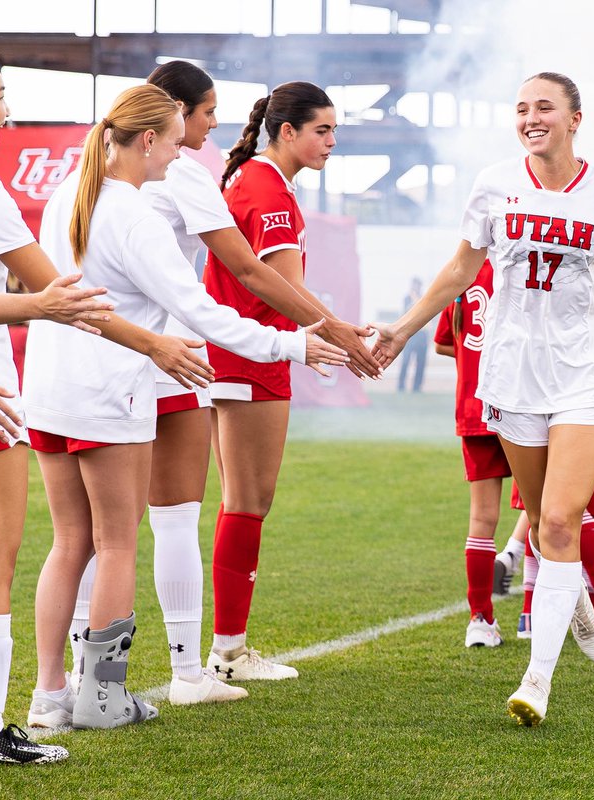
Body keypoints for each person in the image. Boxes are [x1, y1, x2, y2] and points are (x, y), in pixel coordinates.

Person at [371, 72, 594, 726]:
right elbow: (461, 270)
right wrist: (402, 330)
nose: (531, 117)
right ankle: (573, 594)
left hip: (584, 367)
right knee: (547, 519)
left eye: (544, 107)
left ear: (574, 118)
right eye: (522, 108)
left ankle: (537, 681)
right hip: (512, 368)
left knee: (557, 520)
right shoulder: (494, 183)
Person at [0, 43, 205, 766]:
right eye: (1, 94)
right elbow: (67, 300)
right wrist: (152, 344)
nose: (7, 111)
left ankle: (25, 705)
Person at [57, 60, 380, 712]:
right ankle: (187, 666)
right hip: (175, 355)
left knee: (86, 536)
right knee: (174, 520)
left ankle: (59, 686)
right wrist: (323, 336)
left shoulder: (85, 181)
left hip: (83, 366)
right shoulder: (200, 179)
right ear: (165, 120)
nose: (206, 130)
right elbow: (238, 280)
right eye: (201, 116)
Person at [204, 81, 356, 682]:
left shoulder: (253, 180)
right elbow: (283, 289)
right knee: (247, 503)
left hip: (240, 354)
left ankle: (222, 651)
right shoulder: (268, 190)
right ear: (286, 131)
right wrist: (342, 336)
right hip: (249, 359)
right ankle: (227, 653)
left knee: (239, 502)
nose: (331, 142)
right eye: (322, 130)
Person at [434, 259, 511, 647]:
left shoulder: (464, 270)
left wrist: (472, 358)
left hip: (474, 406)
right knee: (545, 507)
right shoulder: (525, 264)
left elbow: (444, 341)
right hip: (519, 403)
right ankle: (533, 611)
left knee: (482, 517)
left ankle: (480, 619)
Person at [399, 276, 429, 392]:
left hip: (422, 334)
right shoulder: (407, 298)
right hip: (411, 334)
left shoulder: (424, 297)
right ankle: (401, 386)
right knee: (406, 360)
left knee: (421, 362)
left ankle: (417, 387)